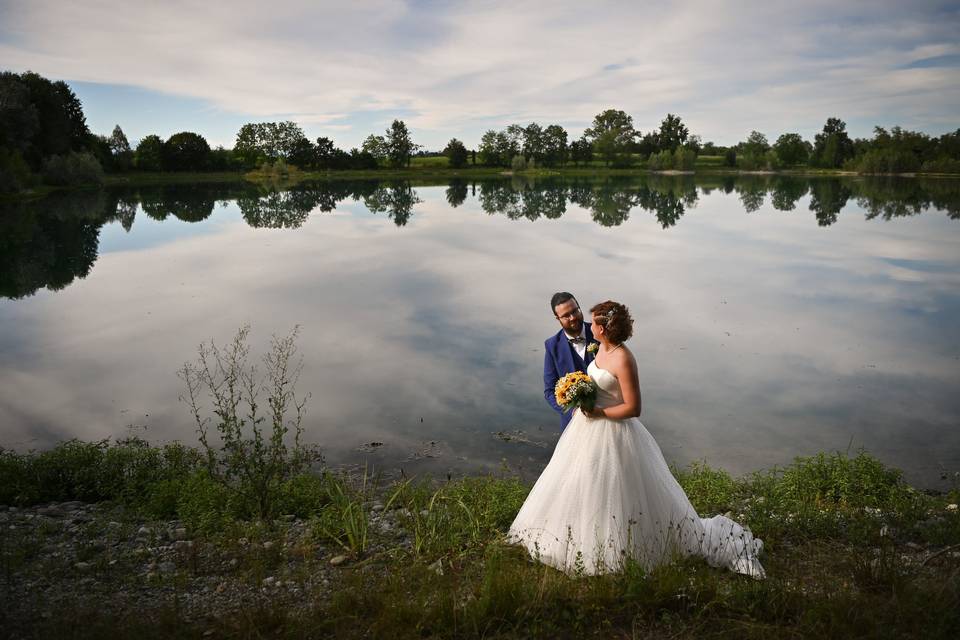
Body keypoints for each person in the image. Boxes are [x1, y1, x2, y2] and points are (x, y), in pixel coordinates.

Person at [510, 300, 765, 578]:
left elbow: (633, 408)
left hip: (614, 431)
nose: (588, 325)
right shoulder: (601, 349)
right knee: (582, 483)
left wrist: (599, 411)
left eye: (594, 322)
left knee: (617, 489)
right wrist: (579, 398)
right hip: (586, 429)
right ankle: (576, 534)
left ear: (604, 328)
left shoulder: (623, 358)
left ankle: (619, 546)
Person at [543, 292, 597, 430]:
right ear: (557, 318)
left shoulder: (600, 333)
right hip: (572, 425)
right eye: (566, 315)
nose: (573, 318)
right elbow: (549, 391)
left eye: (575, 311)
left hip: (607, 418)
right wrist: (570, 409)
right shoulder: (552, 345)